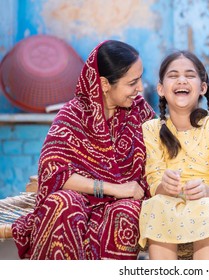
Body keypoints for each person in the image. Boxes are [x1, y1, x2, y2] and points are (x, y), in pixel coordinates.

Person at [11, 40, 155, 259]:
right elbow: (54, 173)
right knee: (63, 204)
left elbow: (160, 154)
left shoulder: (140, 112)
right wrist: (114, 189)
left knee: (125, 211)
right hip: (81, 198)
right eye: (132, 82)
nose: (140, 88)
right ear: (105, 84)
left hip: (125, 202)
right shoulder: (72, 116)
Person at [138, 50, 209, 260]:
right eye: (173, 76)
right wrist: (164, 186)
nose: (181, 80)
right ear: (161, 89)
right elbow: (154, 180)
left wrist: (206, 190)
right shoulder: (151, 129)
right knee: (156, 204)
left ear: (202, 87)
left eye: (190, 75)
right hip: (167, 203)